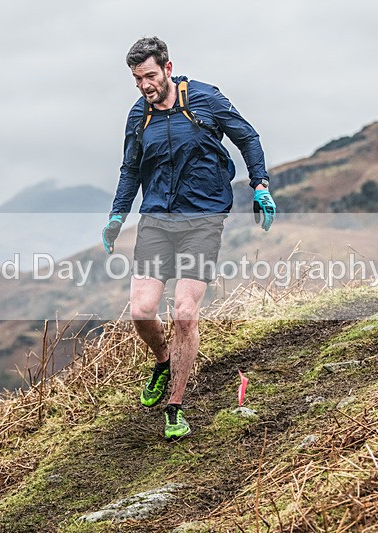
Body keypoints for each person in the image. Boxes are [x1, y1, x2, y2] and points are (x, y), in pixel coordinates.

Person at [102, 36, 276, 440]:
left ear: (167, 67)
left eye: (149, 75)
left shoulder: (204, 98)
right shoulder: (138, 116)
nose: (144, 85)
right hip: (157, 220)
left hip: (203, 218)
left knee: (184, 313)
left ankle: (175, 406)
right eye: (136, 79)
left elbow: (247, 137)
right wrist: (117, 214)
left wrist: (261, 185)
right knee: (142, 311)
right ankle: (163, 361)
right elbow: (130, 168)